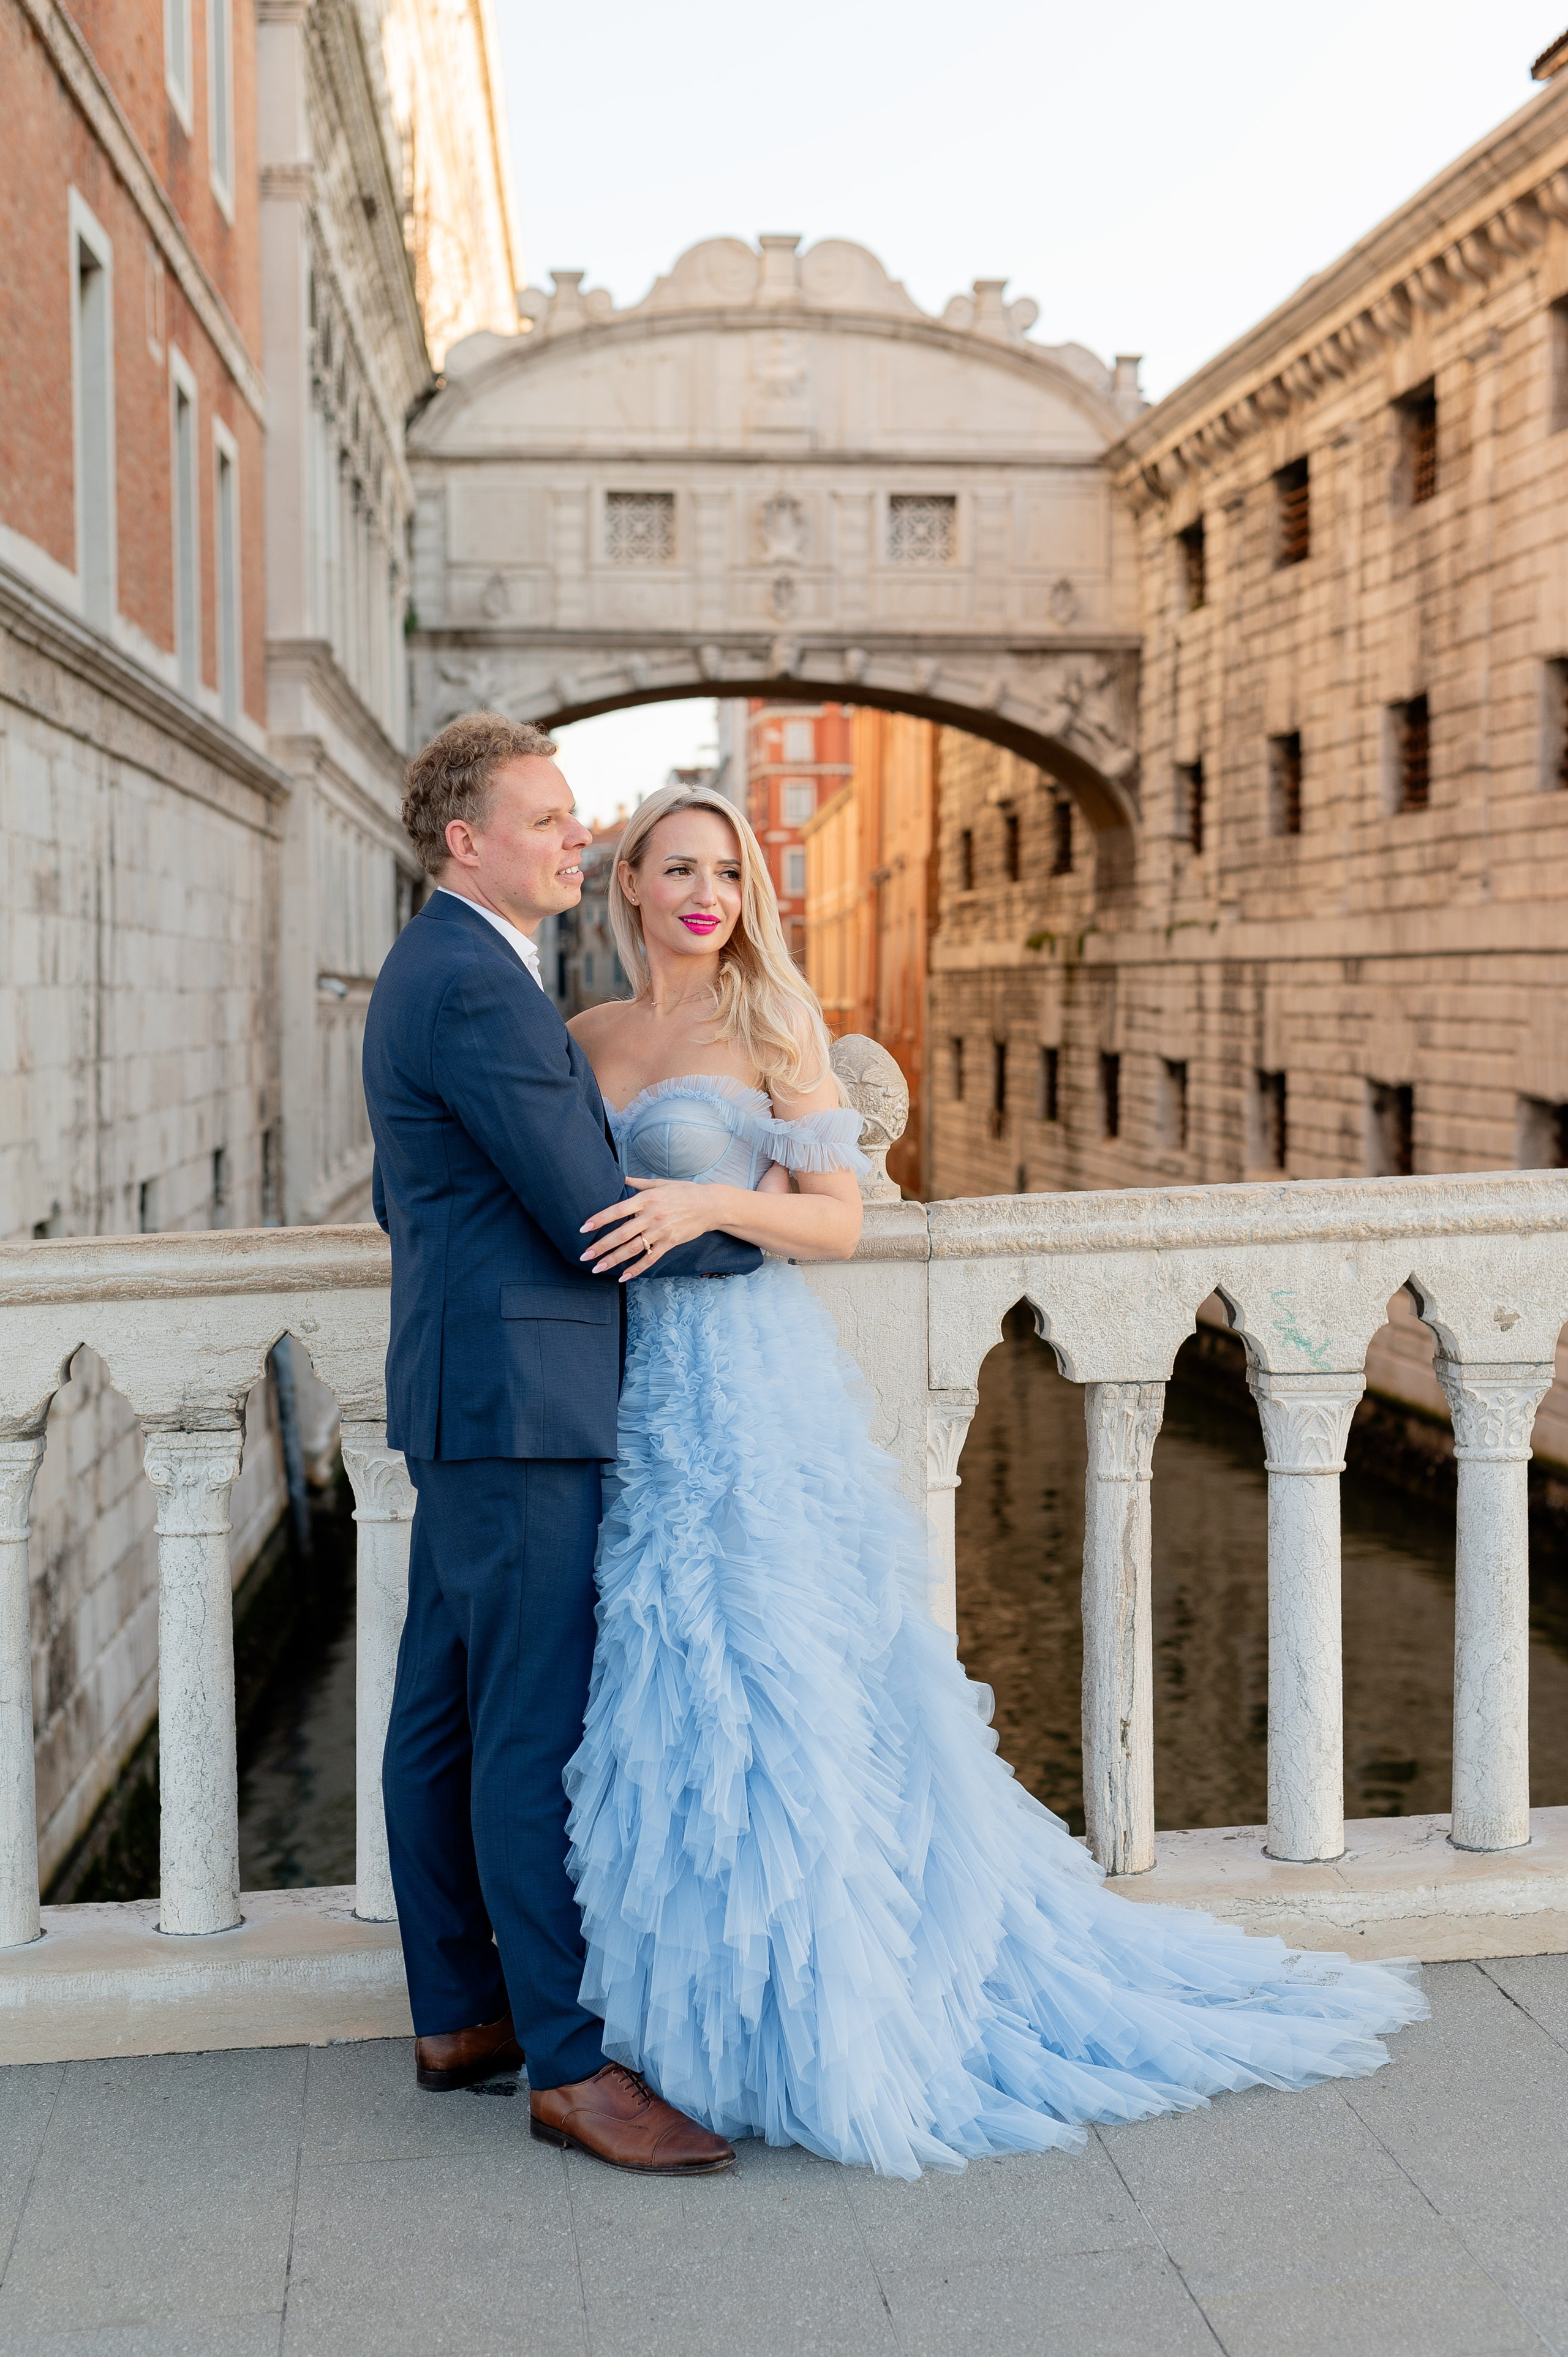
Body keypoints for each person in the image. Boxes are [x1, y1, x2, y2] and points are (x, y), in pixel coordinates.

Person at [562, 776, 1428, 2181]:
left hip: (747, 1381)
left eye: (725, 870)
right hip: (627, 1385)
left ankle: (828, 2005)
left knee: (783, 1669)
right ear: (630, 884)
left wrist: (707, 1197)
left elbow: (837, 1221)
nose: (704, 893)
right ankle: (699, 2006)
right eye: (677, 868)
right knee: (666, 1675)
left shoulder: (774, 1024)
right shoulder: (588, 1035)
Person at [363, 714, 756, 2176]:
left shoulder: (441, 963)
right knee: (525, 1733)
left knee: (443, 1715)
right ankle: (571, 2067)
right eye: (547, 820)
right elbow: (592, 1210)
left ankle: (460, 2016)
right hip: (521, 1409)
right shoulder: (476, 982)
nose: (573, 839)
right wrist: (750, 1235)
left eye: (574, 818)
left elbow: (424, 1201)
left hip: (473, 1392)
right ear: (467, 840)